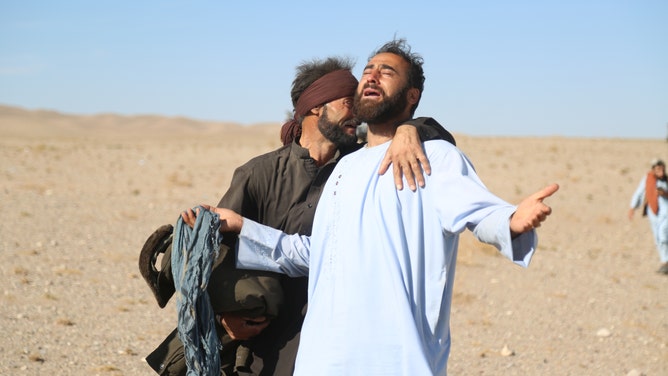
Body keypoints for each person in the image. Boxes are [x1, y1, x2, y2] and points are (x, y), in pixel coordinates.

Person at [196, 39, 559, 375]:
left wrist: (510, 220)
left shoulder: (433, 156)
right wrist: (243, 226)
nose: (371, 76)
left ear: (411, 95)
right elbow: (320, 251)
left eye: (386, 72)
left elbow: (478, 212)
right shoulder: (344, 168)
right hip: (321, 360)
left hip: (395, 360)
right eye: (368, 70)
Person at [140, 55, 456, 375]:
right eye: (349, 102)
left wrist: (409, 128)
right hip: (267, 348)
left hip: (338, 340)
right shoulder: (259, 174)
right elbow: (218, 254)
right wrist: (225, 317)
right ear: (316, 106)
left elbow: (440, 141)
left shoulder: (361, 167)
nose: (358, 114)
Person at [628, 158, 668, 274]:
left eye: (662, 168)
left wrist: (664, 193)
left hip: (666, 213)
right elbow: (639, 192)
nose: (661, 171)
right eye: (658, 169)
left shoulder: (666, 180)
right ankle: (664, 262)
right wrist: (632, 207)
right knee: (657, 238)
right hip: (653, 213)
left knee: (663, 235)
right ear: (653, 170)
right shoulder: (648, 180)